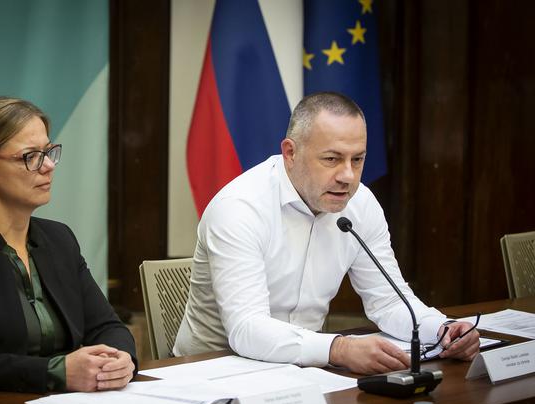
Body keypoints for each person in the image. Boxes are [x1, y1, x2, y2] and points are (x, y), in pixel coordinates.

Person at [174, 92, 480, 375]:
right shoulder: (240, 207)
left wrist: (441, 329)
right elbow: (246, 328)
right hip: (214, 372)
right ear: (290, 153)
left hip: (306, 370)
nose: (347, 176)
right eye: (332, 159)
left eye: (357, 159)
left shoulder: (360, 205)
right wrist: (340, 348)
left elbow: (388, 302)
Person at [0, 96, 136, 393]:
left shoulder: (59, 239)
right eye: (30, 156)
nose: (47, 167)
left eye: (48, 152)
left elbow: (107, 326)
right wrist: (55, 372)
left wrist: (121, 360)